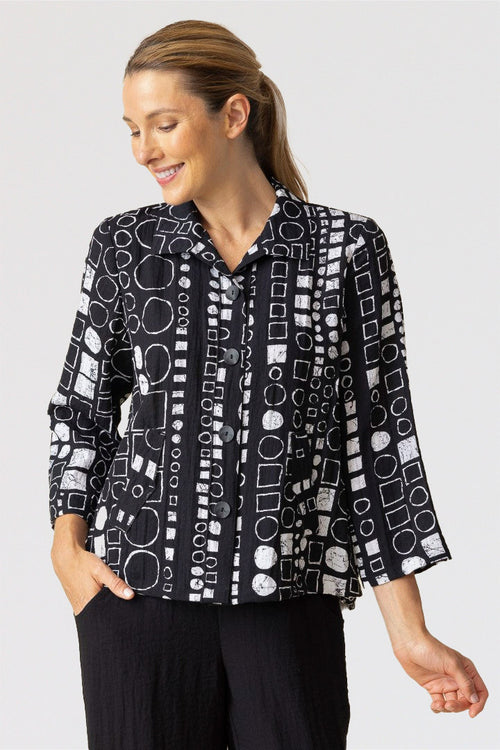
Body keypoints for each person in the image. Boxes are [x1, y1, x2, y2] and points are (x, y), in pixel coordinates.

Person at [46, 18, 488, 750]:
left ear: (233, 115)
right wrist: (68, 548)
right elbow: (82, 407)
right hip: (137, 599)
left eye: (163, 125)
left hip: (288, 602)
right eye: (133, 130)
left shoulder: (345, 250)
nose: (144, 150)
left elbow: (376, 441)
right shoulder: (125, 247)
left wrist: (408, 631)